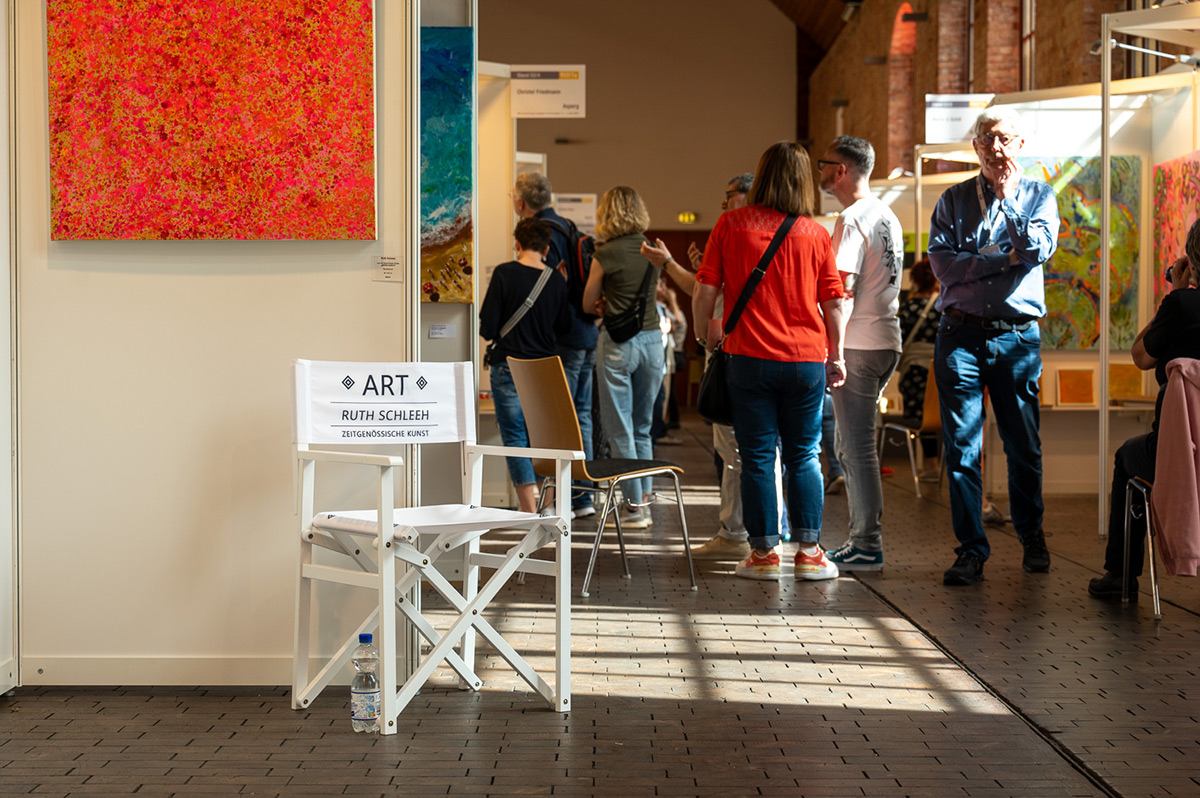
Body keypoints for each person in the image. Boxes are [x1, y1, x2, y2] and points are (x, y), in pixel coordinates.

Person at [693, 141, 846, 581]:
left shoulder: (730, 224)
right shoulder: (815, 233)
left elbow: (705, 291)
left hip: (747, 358)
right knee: (804, 455)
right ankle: (810, 552)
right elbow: (833, 302)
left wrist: (708, 337)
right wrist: (836, 354)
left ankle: (763, 555)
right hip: (804, 361)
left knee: (757, 455)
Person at [928, 107, 1059, 586]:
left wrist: (1009, 203)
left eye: (1003, 138)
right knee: (963, 448)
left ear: (1020, 144)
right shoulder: (953, 199)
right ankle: (971, 549)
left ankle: (1032, 533)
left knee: (1023, 445)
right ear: (975, 145)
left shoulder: (1041, 196)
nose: (994, 148)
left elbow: (1037, 251)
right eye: (986, 138)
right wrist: (1000, 257)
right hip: (959, 335)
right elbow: (943, 267)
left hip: (1016, 338)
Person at [1089, 227, 1200, 601]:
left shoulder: (1181, 306)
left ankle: (1121, 574)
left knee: (1127, 457)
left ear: (1190, 260)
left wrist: (1174, 296)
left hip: (1180, 451)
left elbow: (1140, 357)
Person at [817, 135, 903, 572]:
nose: (820, 173)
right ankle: (862, 537)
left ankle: (866, 542)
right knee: (851, 444)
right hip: (886, 340)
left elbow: (840, 293)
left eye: (824, 165)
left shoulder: (850, 220)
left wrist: (834, 352)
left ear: (842, 170)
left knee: (856, 448)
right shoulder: (886, 214)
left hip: (859, 343)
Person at [512, 172, 599, 520]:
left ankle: (563, 500)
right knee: (582, 417)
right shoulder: (569, 226)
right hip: (587, 332)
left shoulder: (541, 235)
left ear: (521, 204)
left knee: (557, 420)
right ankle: (584, 496)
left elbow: (548, 290)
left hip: (562, 338)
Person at [582, 186, 664, 529]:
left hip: (618, 343)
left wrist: (603, 303)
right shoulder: (654, 249)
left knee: (620, 430)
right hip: (652, 342)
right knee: (643, 426)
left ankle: (633, 507)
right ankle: (642, 497)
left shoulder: (606, 253)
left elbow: (588, 304)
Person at [478, 218, 572, 513]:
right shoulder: (556, 281)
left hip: (509, 367)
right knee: (546, 436)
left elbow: (488, 328)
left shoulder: (505, 274)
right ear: (546, 248)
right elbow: (565, 328)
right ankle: (551, 504)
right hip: (545, 370)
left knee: (515, 437)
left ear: (516, 243)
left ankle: (529, 508)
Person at [895, 257, 941, 478]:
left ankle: (930, 465)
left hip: (913, 370)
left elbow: (898, 340)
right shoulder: (945, 306)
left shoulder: (908, 307)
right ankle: (943, 467)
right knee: (942, 416)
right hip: (941, 369)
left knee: (920, 419)